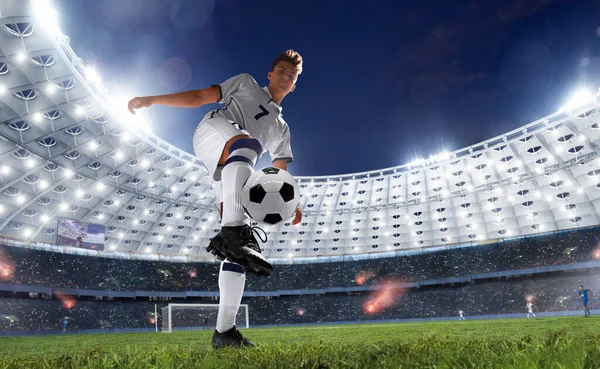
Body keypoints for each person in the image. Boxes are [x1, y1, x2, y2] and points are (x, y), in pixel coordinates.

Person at [128, 50, 304, 349]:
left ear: (294, 85)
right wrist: (153, 99)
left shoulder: (282, 129)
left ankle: (225, 332)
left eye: (292, 75)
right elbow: (200, 96)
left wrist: (294, 202)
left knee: (236, 255)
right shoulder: (246, 83)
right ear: (270, 74)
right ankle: (234, 231)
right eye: (282, 70)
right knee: (247, 145)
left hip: (234, 165)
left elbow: (279, 173)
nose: (286, 77)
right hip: (214, 133)